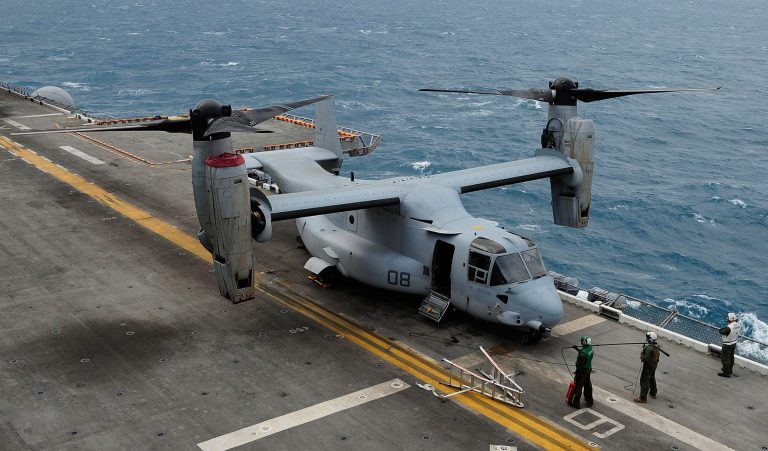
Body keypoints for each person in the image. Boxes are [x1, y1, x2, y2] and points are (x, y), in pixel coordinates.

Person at [634, 331, 661, 403]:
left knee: (645, 380)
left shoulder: (649, 348)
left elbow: (645, 359)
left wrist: (642, 354)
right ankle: (653, 393)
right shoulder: (657, 346)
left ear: (650, 339)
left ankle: (642, 398)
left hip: (648, 366)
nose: (646, 339)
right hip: (654, 365)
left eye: (648, 338)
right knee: (652, 378)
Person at [570, 335, 594, 409]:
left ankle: (576, 403)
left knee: (578, 386)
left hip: (582, 371)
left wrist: (576, 372)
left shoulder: (582, 354)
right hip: (588, 369)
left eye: (582, 341)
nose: (581, 342)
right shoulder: (591, 349)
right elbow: (585, 354)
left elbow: (579, 364)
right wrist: (577, 349)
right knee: (587, 384)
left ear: (584, 342)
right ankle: (589, 399)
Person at [718, 312, 741, 377]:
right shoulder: (738, 325)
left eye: (727, 318)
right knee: (731, 358)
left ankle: (726, 373)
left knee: (725, 359)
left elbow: (721, 331)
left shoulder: (729, 327)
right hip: (734, 343)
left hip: (727, 344)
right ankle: (729, 370)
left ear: (729, 318)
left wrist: (721, 329)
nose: (727, 319)